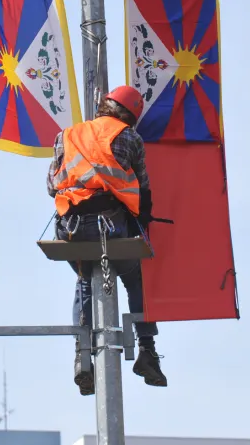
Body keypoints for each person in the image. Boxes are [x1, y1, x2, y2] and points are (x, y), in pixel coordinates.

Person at [46, 85, 167, 396]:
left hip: (71, 227)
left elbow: (51, 185)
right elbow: (143, 187)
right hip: (111, 227)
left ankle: (82, 356)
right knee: (135, 279)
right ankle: (147, 349)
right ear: (131, 116)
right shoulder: (130, 138)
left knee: (85, 278)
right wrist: (144, 220)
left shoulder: (67, 135)